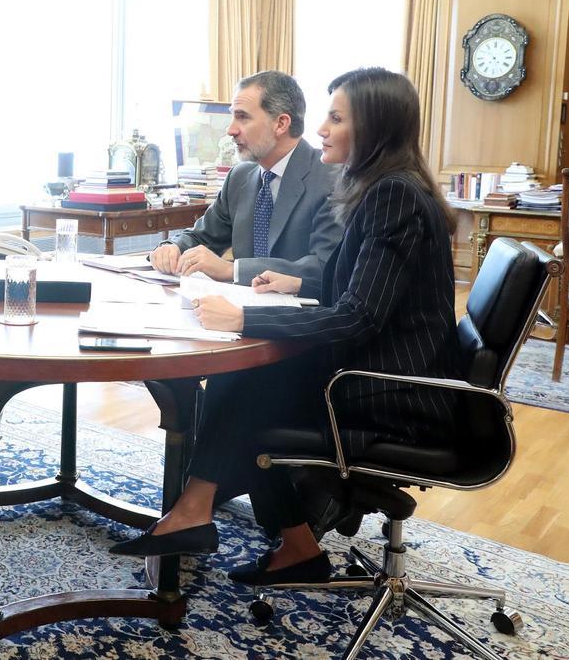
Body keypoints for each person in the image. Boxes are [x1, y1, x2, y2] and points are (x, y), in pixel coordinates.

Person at [110, 68, 460, 587]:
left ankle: (199, 513)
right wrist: (286, 287)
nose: (320, 128)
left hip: (395, 389)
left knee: (252, 384)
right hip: (379, 368)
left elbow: (358, 314)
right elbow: (352, 289)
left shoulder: (394, 197)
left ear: (375, 129)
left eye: (336, 118)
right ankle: (252, 530)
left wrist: (246, 315)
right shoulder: (383, 189)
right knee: (251, 378)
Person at [150, 71, 342, 289]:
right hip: (238, 309)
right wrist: (173, 247)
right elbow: (202, 236)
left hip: (302, 316)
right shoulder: (239, 177)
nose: (230, 130)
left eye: (242, 117)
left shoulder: (333, 178)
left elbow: (325, 267)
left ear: (281, 123)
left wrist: (233, 270)